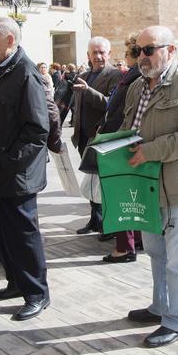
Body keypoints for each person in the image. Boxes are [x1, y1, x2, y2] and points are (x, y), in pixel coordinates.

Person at [121, 25, 178, 348]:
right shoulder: (137, 87)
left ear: (171, 50)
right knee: (155, 251)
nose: (142, 57)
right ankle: (161, 306)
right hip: (146, 184)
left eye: (150, 50)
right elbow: (128, 127)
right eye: (138, 50)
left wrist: (151, 150)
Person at [0, 17, 51, 322]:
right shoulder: (0, 71)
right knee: (4, 234)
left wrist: (7, 160)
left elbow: (36, 130)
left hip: (16, 174)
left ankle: (36, 293)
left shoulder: (25, 73)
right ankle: (15, 282)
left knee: (23, 235)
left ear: (10, 40)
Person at [71, 37, 122, 238]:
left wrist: (88, 91)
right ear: (88, 55)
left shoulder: (115, 75)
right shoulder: (83, 74)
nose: (99, 56)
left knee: (104, 182)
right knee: (91, 180)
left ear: (109, 54)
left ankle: (109, 224)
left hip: (101, 136)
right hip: (83, 136)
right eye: (95, 53)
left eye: (102, 52)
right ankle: (95, 219)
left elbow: (111, 103)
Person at [101, 34, 144, 263]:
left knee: (120, 194)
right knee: (129, 193)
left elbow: (124, 113)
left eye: (126, 53)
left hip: (121, 140)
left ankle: (125, 247)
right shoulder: (134, 76)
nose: (124, 57)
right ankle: (135, 238)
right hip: (123, 138)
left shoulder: (135, 77)